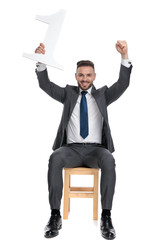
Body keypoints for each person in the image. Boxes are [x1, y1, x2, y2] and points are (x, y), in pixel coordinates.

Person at [35, 41, 132, 239]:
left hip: (96, 151)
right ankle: (55, 215)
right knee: (54, 158)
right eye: (81, 75)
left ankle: (106, 217)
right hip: (71, 150)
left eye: (88, 75)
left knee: (109, 160)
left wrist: (124, 56)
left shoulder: (103, 94)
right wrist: (41, 61)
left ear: (94, 76)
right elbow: (45, 85)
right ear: (76, 76)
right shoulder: (68, 94)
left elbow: (123, 84)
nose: (84, 79)